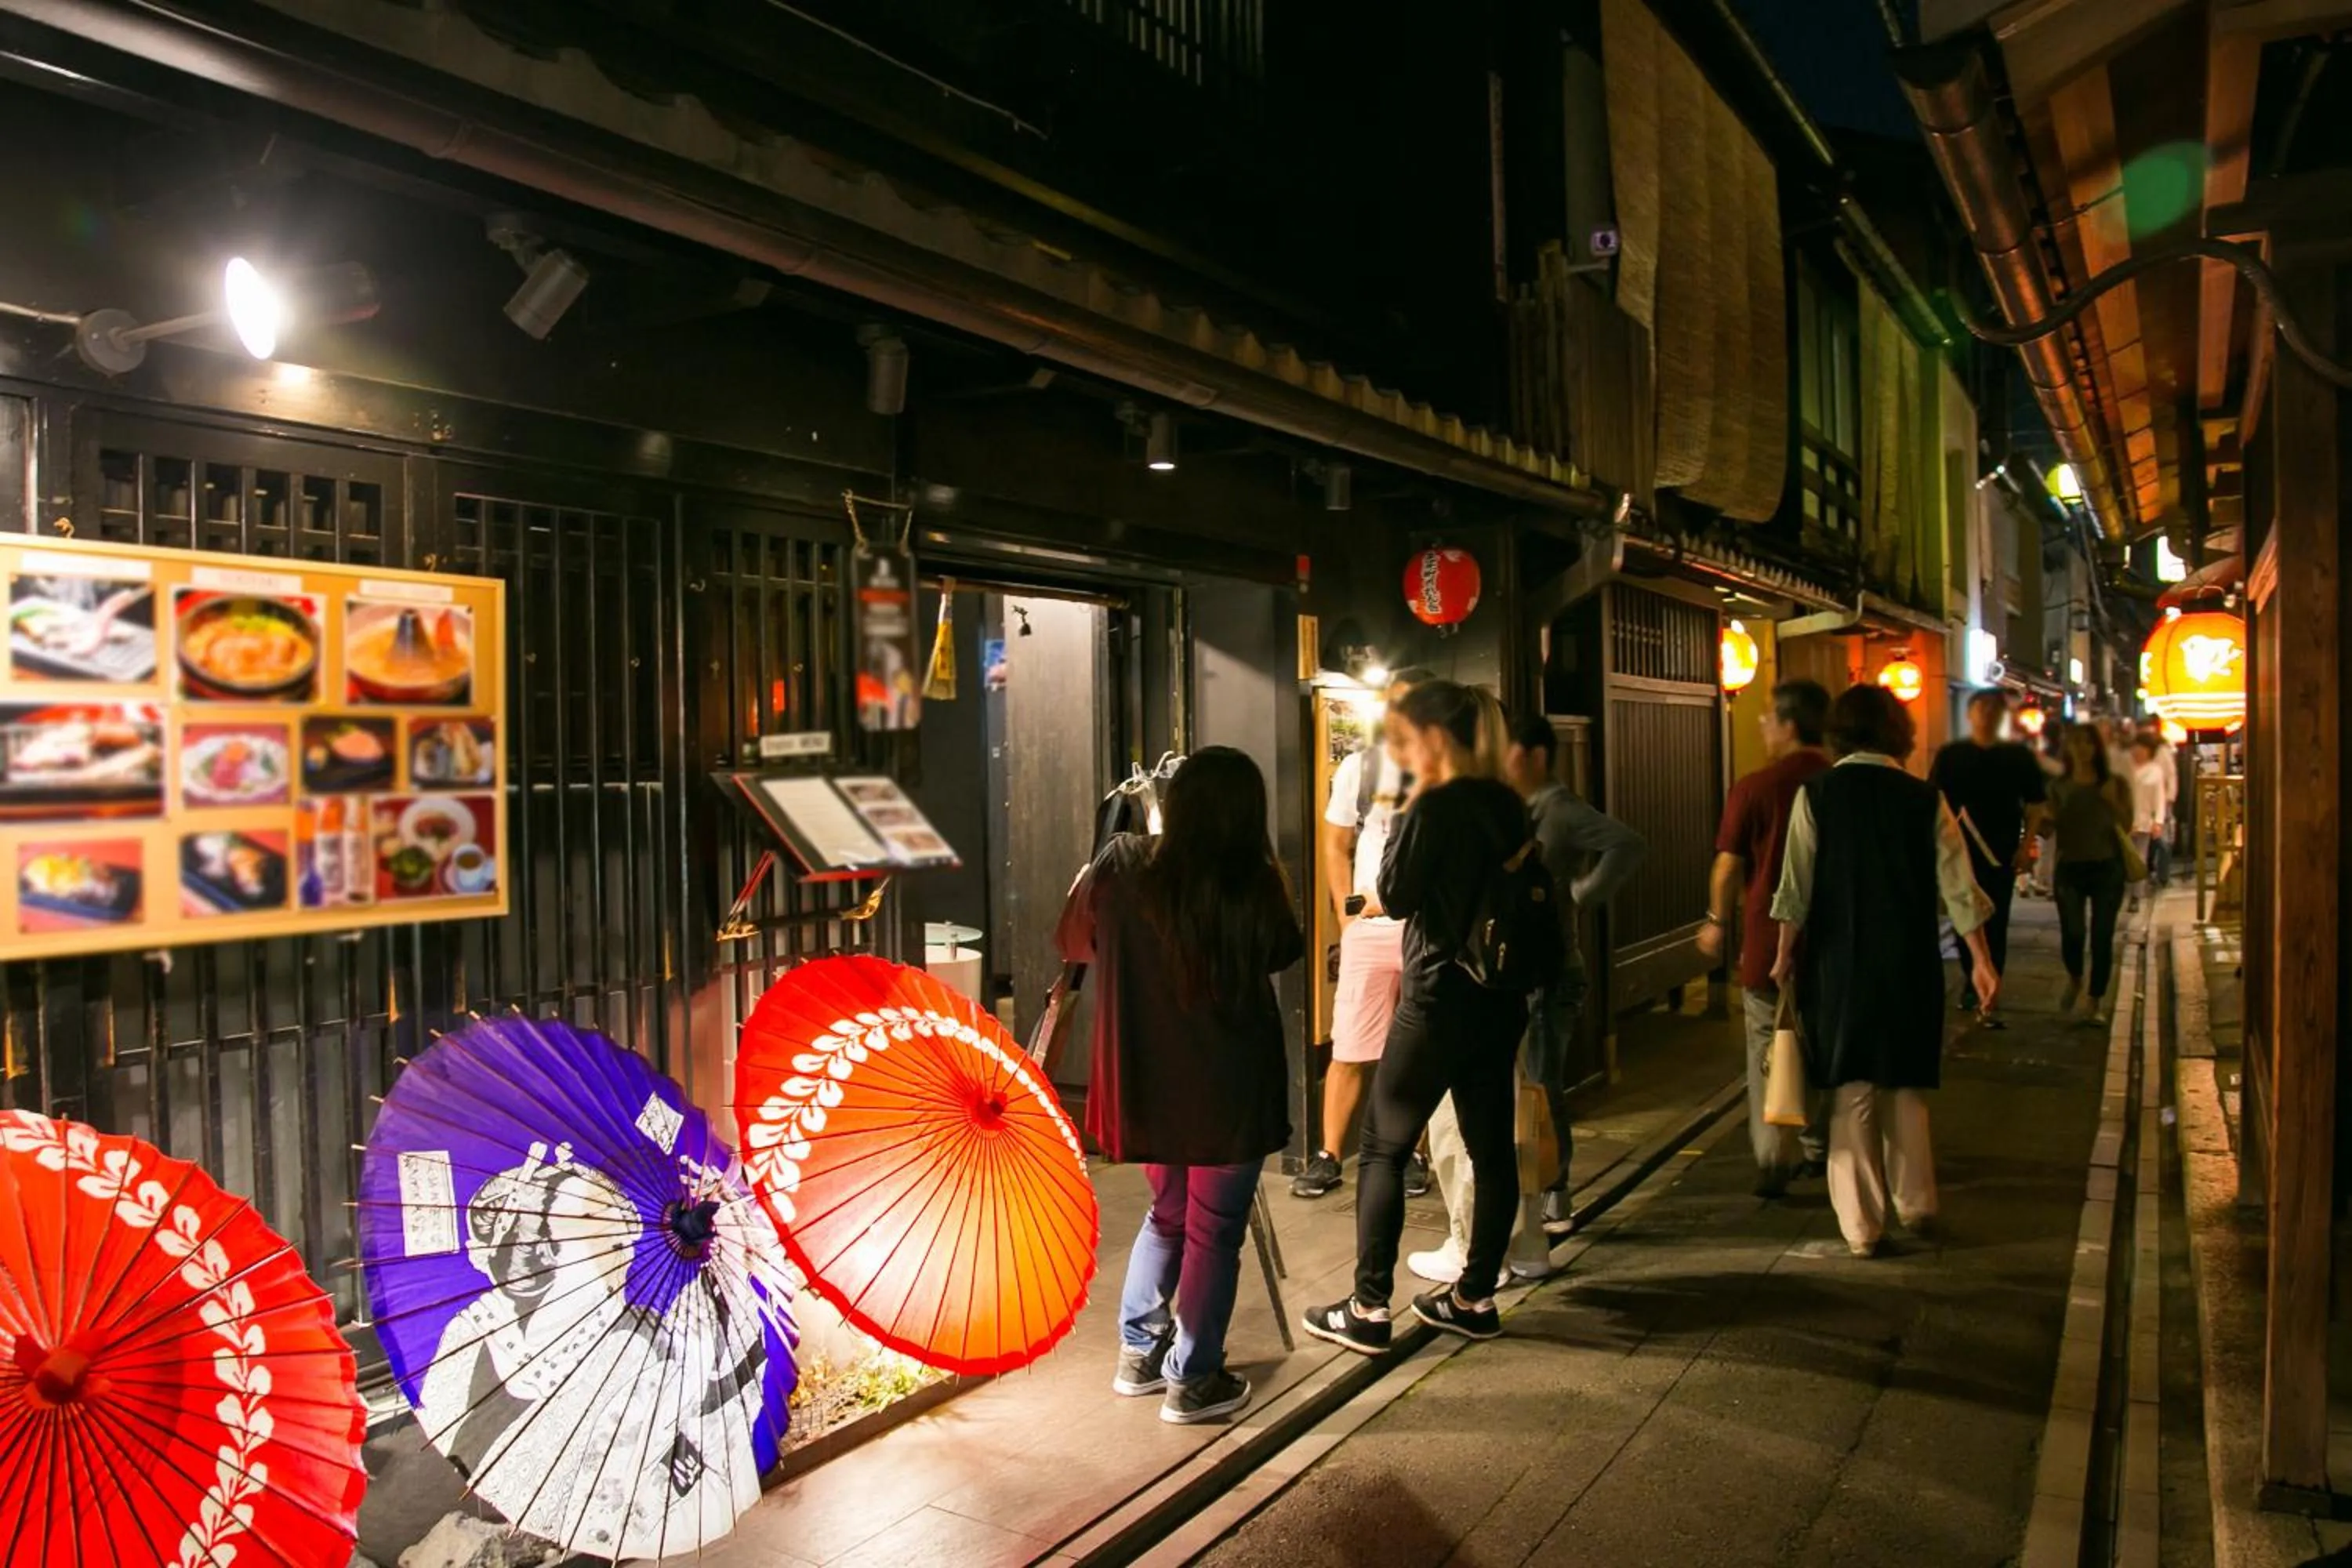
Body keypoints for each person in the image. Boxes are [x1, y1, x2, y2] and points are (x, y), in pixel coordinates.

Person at [1055, 746, 1304, 1425]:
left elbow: (1076, 941)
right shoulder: (1253, 882)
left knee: (1167, 1214)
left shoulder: (1128, 867)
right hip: (1229, 1087)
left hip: (1154, 1080)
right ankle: (1193, 1378)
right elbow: (1286, 949)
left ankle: (1138, 1354)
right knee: (1215, 1232)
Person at [1302, 680, 1535, 1352]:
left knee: (1382, 1145)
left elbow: (1399, 895)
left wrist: (1390, 862)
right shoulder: (1509, 803)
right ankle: (1474, 1297)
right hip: (1500, 997)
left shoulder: (1432, 804)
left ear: (1436, 737)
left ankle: (1369, 1309)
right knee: (1493, 1153)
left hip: (1437, 996)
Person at [1410, 710, 1646, 1286]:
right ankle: (1531, 1231)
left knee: (1525, 1101)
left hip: (1533, 977)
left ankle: (1533, 1212)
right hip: (1522, 977)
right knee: (1522, 1102)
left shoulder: (1552, 810)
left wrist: (1583, 892)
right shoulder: (1509, 811)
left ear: (1535, 755)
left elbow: (1628, 842)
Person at [1770, 684, 1999, 1258]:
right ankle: (1917, 1202)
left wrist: (1781, 954)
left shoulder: (1816, 796)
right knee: (1904, 1082)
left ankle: (1862, 1228)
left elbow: (1794, 887)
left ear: (1839, 733)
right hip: (1909, 959)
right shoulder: (1925, 799)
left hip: (1838, 963)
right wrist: (1982, 961)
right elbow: (1958, 887)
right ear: (1898, 732)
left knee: (1853, 1091)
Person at [1294, 666, 1437, 1201]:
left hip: (1424, 925)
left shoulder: (1441, 769)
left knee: (1423, 1045)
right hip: (1372, 927)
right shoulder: (1361, 765)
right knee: (1350, 1043)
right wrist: (1344, 913)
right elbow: (1334, 842)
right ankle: (1330, 1153)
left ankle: (1417, 1153)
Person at [1702, 678, 1833, 1197]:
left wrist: (1716, 920)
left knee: (1767, 1048)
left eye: (1768, 718)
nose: (1761, 726)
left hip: (1764, 940)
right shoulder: (1836, 784)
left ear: (1788, 725)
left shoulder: (1754, 788)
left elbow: (1729, 866)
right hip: (1831, 941)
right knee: (1822, 1045)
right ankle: (1819, 1146)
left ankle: (1771, 1155)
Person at [1927, 689, 2049, 1025]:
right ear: (1970, 714)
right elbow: (1934, 800)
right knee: (1962, 914)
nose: (1987, 715)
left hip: (2002, 852)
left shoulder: (2018, 757)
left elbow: (2036, 805)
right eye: (1981, 709)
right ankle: (1972, 977)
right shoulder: (1952, 755)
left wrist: (2026, 846)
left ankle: (1991, 980)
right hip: (1958, 850)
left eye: (1994, 710)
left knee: (1996, 918)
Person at [2049, 724, 2133, 1018]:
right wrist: (2041, 818)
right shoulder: (2057, 786)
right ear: (2068, 748)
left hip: (2107, 866)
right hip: (2069, 867)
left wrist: (2112, 803)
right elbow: (2048, 829)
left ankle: (2095, 999)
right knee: (2073, 931)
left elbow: (2128, 825)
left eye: (2088, 742)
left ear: (2097, 748)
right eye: (2076, 742)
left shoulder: (2114, 783)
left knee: (2102, 935)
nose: (2082, 748)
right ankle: (2075, 977)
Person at [2126, 735, 2169, 911]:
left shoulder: (2155, 771)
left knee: (2140, 858)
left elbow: (2159, 798)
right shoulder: (2126, 767)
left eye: (2142, 749)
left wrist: (2158, 821)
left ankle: (2136, 895)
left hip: (2143, 821)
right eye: (2136, 748)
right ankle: (2126, 892)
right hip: (2125, 820)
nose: (2138, 752)